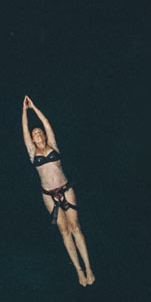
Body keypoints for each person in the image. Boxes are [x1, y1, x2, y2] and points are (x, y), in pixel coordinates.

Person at [23, 95, 95, 284]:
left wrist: (34, 108)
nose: (38, 134)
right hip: (48, 194)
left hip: (66, 188)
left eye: (39, 132)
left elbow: (46, 122)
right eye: (34, 134)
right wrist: (23, 112)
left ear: (45, 136)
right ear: (32, 139)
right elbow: (24, 130)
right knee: (64, 231)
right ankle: (79, 270)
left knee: (76, 227)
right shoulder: (32, 152)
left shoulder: (53, 145)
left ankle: (88, 267)